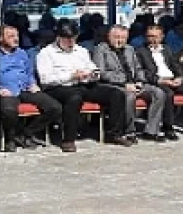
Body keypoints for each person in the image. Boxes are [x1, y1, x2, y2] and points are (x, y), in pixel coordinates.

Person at [36, 22, 132, 151]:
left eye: (73, 38)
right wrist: (71, 76)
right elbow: (45, 79)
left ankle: (114, 133)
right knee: (74, 98)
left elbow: (92, 67)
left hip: (83, 84)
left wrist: (93, 74)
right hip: (59, 87)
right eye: (67, 39)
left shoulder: (81, 51)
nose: (71, 42)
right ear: (58, 38)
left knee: (116, 93)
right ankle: (69, 139)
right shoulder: (46, 53)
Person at [0, 25, 60, 152]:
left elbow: (29, 73)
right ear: (0, 38)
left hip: (24, 88)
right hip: (5, 90)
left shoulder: (22, 53)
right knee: (9, 110)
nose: (16, 39)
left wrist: (32, 83)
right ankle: (9, 139)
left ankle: (26, 133)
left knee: (54, 107)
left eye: (17, 36)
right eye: (11, 36)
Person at [93, 25, 165, 142]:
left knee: (158, 93)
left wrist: (140, 81)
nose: (119, 40)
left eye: (123, 38)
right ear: (109, 37)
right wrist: (124, 83)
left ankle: (151, 131)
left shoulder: (130, 49)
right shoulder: (101, 49)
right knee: (129, 96)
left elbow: (138, 68)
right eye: (116, 37)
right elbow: (101, 73)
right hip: (114, 85)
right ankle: (129, 131)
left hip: (134, 83)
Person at [136, 24, 183, 137]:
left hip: (172, 79)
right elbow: (143, 72)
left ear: (162, 37)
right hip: (157, 81)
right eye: (150, 36)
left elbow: (176, 65)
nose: (153, 40)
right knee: (168, 94)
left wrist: (180, 77)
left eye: (156, 36)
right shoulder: (140, 51)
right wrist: (160, 80)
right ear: (146, 37)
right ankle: (168, 127)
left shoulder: (167, 49)